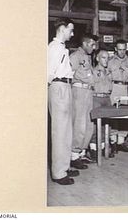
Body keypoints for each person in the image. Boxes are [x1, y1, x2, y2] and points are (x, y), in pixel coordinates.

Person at [47, 18, 78, 185]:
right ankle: (58, 173)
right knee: (59, 131)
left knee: (66, 130)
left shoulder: (61, 48)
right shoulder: (54, 48)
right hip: (58, 87)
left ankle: (64, 166)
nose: (72, 34)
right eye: (70, 30)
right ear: (62, 28)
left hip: (65, 87)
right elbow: (47, 74)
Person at [70, 33, 97, 170]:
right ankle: (73, 156)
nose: (94, 47)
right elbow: (72, 74)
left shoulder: (87, 57)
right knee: (79, 125)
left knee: (88, 125)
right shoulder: (75, 57)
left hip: (88, 92)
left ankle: (81, 153)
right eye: (92, 44)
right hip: (79, 92)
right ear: (85, 43)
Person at [89, 50, 117, 160]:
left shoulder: (108, 72)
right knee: (95, 125)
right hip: (96, 98)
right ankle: (93, 149)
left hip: (107, 98)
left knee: (107, 124)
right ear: (97, 59)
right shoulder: (93, 71)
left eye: (107, 58)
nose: (106, 60)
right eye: (103, 58)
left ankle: (104, 147)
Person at [108, 39, 128, 152]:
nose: (122, 52)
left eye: (124, 49)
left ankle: (121, 141)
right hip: (114, 88)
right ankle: (113, 141)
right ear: (115, 49)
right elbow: (107, 76)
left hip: (126, 88)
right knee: (113, 115)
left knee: (126, 115)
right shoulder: (110, 61)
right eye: (119, 49)